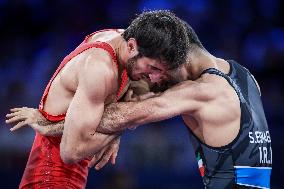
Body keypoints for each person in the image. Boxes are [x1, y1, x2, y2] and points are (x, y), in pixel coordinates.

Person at [7, 21, 272, 189]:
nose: (158, 79)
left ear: (180, 62)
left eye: (163, 72)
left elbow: (120, 118)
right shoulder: (246, 77)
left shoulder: (200, 91)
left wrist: (50, 123)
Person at [5, 10, 190, 188]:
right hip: (51, 180)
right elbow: (71, 151)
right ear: (132, 47)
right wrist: (120, 125)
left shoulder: (121, 39)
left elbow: (104, 112)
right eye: (153, 68)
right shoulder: (100, 68)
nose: (154, 78)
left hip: (66, 177)